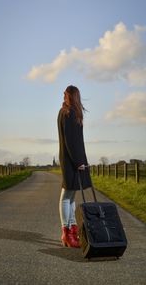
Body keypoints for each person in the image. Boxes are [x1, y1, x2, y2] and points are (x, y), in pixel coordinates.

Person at [57, 85, 92, 248]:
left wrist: (82, 160)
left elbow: (78, 141)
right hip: (70, 160)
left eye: (65, 94)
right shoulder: (67, 113)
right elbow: (71, 141)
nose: (64, 96)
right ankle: (66, 233)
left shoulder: (71, 112)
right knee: (66, 196)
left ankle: (72, 228)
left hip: (73, 159)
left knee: (71, 196)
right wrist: (79, 162)